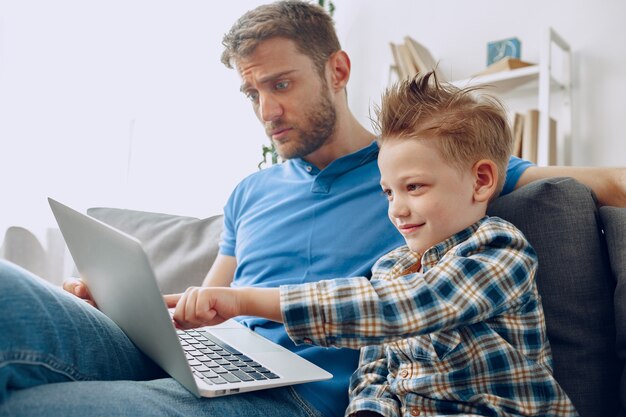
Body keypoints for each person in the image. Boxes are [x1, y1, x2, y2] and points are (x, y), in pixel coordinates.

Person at [0, 1, 620, 416]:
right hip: (215, 358)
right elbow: (209, 305)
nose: (266, 111)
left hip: (293, 391)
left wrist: (241, 307)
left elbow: (607, 183)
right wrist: (125, 302)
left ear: (338, 70)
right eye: (252, 92)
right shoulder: (251, 191)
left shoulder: (431, 168)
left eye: (281, 84)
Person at [168, 70, 579, 416]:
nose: (397, 209)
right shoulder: (391, 267)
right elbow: (373, 369)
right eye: (388, 192)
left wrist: (245, 301)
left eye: (413, 187)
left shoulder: (500, 250)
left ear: (482, 180)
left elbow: (403, 306)